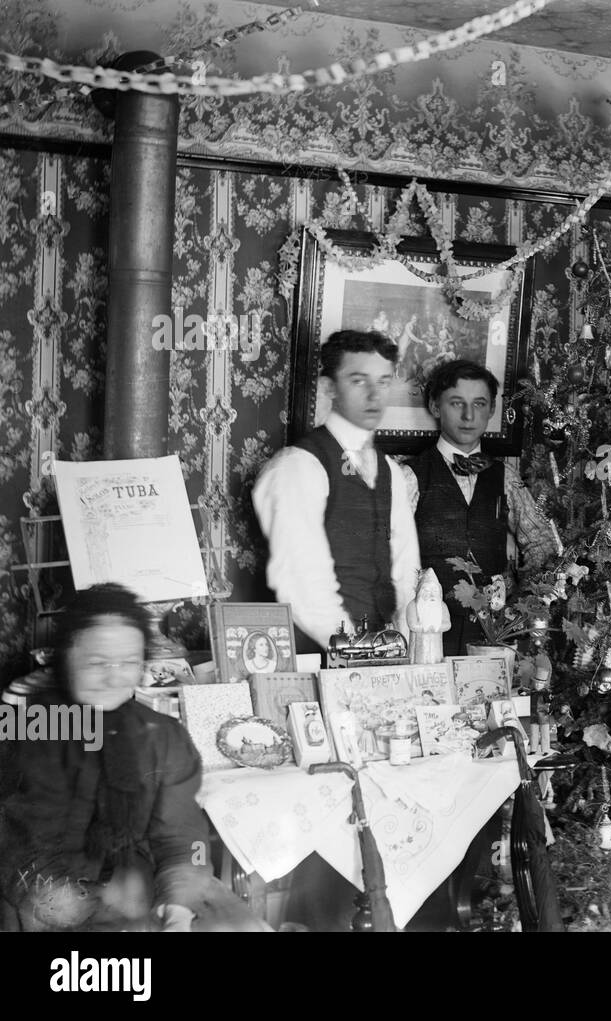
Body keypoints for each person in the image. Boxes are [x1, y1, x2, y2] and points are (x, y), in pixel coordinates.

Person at [0, 584, 270, 932]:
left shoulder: (162, 736)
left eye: (128, 662)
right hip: (43, 895)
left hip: (145, 884)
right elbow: (11, 841)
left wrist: (178, 903)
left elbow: (187, 839)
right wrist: (63, 897)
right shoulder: (25, 728)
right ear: (66, 657)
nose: (115, 676)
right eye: (97, 662)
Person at [253, 330, 419, 654]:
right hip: (321, 659)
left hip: (385, 658)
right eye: (359, 381)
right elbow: (302, 585)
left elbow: (405, 570)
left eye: (384, 382)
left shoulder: (391, 472)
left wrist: (402, 650)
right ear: (329, 387)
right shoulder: (299, 467)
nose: (375, 395)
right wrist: (357, 653)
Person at [403, 359, 559, 656]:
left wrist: (521, 600)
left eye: (479, 404)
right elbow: (389, 551)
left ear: (490, 411)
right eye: (456, 403)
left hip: (492, 634)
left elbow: (543, 542)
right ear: (436, 408)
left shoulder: (506, 478)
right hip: (428, 630)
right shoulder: (411, 476)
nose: (468, 415)